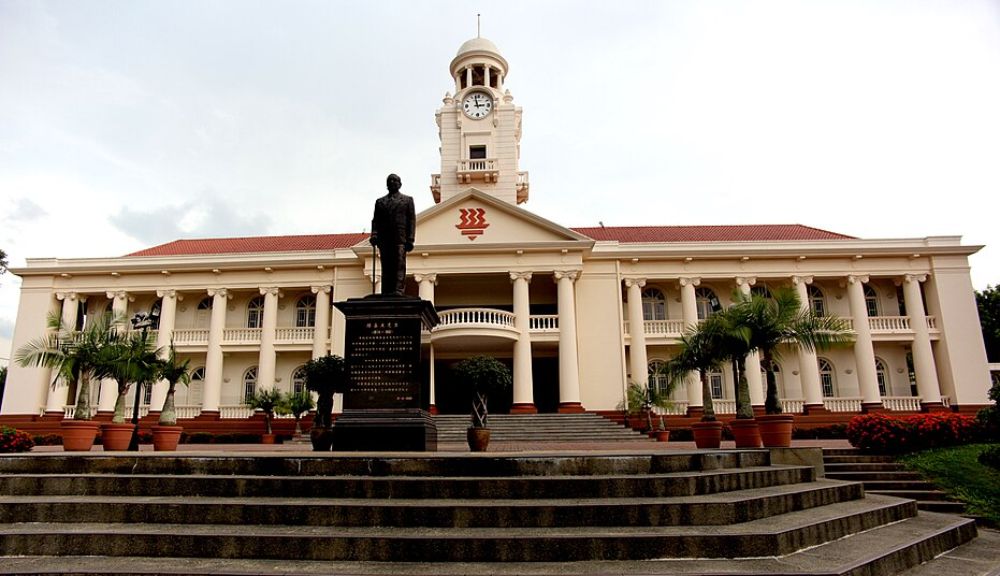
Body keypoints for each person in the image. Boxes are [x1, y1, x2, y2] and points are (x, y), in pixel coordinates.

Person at [370, 173, 416, 296]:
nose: (392, 182)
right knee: (386, 265)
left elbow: (411, 220)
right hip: (384, 238)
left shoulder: (407, 200)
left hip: (400, 238)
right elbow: (376, 220)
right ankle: (387, 290)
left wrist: (410, 239)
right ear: (387, 184)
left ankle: (398, 290)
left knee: (399, 264)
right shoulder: (380, 202)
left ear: (400, 184)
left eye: (395, 181)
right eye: (390, 181)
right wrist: (374, 234)